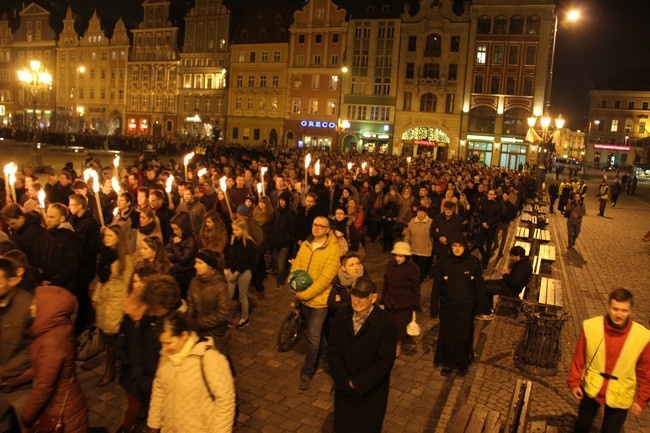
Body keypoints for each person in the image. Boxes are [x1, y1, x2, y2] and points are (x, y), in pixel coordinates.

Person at [567, 288, 650, 433]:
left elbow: (645, 371)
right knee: (581, 426)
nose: (619, 314)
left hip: (621, 392)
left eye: (624, 310)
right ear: (609, 307)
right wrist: (574, 382)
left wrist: (642, 399)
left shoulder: (642, 336)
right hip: (592, 386)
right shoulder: (592, 326)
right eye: (615, 309)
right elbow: (579, 356)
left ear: (630, 311)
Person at [147, 311, 236, 433]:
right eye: (162, 343)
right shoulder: (166, 355)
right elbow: (159, 388)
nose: (164, 348)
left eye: (168, 342)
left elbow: (226, 400)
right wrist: (154, 423)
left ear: (184, 335)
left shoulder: (209, 358)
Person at [327, 277, 397, 433]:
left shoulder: (385, 323)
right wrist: (344, 380)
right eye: (354, 295)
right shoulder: (342, 315)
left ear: (373, 298)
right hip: (345, 388)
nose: (356, 301)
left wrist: (358, 383)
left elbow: (384, 363)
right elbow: (333, 350)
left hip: (371, 393)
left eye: (362, 297)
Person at [20, 286, 89, 432]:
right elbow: (42, 367)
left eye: (35, 303)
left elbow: (44, 388)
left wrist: (26, 415)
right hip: (67, 406)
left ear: (48, 307)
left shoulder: (51, 342)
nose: (31, 307)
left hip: (65, 415)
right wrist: (15, 380)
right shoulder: (54, 330)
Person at [290, 215, 341, 390]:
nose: (316, 228)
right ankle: (326, 354)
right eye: (314, 224)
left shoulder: (334, 250)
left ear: (328, 229)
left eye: (320, 226)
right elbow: (297, 266)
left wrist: (304, 295)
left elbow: (325, 279)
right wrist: (294, 285)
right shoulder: (306, 244)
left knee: (312, 335)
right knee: (319, 333)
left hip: (319, 301)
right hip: (303, 297)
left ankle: (307, 370)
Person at [434, 234, 483, 376]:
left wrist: (480, 307)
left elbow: (479, 286)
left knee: (464, 336)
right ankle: (448, 363)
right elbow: (437, 286)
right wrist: (434, 307)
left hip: (466, 307)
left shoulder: (473, 262)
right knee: (448, 335)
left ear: (465, 247)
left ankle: (461, 363)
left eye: (460, 246)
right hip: (447, 306)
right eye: (454, 246)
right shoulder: (443, 262)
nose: (457, 249)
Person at [93, 224, 135, 386]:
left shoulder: (126, 259)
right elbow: (102, 279)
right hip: (105, 301)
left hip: (116, 303)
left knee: (112, 337)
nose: (106, 239)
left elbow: (127, 284)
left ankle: (110, 369)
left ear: (119, 238)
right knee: (107, 336)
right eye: (106, 236)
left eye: (110, 236)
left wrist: (125, 306)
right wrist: (96, 297)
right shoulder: (105, 255)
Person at [0, 257, 32, 433]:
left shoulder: (28, 306)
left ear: (12, 281)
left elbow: (33, 350)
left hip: (21, 386)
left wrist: (5, 372)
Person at [187, 250, 231, 354]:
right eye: (195, 262)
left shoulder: (220, 285)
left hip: (215, 332)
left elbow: (223, 313)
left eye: (200, 263)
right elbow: (190, 306)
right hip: (196, 330)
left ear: (210, 266)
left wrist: (199, 323)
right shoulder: (194, 282)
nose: (195, 266)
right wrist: (189, 322)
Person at [381, 241, 421, 358]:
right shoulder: (390, 265)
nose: (398, 258)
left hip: (404, 303)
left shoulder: (413, 269)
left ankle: (397, 345)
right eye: (396, 255)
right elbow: (386, 283)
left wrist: (415, 304)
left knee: (399, 326)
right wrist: (383, 300)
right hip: (390, 301)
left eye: (401, 256)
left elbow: (416, 287)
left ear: (407, 256)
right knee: (388, 325)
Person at [477, 245, 532, 319]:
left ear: (518, 256)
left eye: (512, 256)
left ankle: (488, 313)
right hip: (507, 285)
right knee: (485, 283)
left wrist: (504, 275)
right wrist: (509, 272)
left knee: (485, 288)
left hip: (511, 290)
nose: (511, 258)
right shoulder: (523, 261)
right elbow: (517, 275)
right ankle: (489, 308)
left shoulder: (523, 267)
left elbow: (514, 282)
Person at [224, 220, 256, 329]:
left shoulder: (248, 243)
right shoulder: (231, 240)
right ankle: (226, 317)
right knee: (229, 294)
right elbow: (227, 255)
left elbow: (247, 261)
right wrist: (227, 269)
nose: (234, 232)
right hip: (232, 271)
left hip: (243, 272)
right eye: (233, 229)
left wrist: (236, 273)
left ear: (243, 230)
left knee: (242, 296)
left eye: (237, 230)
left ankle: (245, 318)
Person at [166, 211, 199, 298]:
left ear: (183, 227)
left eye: (176, 229)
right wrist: (174, 256)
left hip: (186, 275)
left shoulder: (191, 240)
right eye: (173, 229)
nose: (174, 231)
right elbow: (167, 251)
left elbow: (183, 259)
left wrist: (176, 246)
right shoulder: (174, 236)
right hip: (175, 273)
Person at [327, 251, 368, 320]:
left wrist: (341, 303)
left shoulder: (366, 280)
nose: (356, 267)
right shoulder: (338, 281)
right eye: (351, 265)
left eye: (358, 264)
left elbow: (364, 304)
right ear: (343, 268)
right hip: (343, 320)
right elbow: (331, 304)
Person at [404, 206, 433, 282]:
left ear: (426, 213)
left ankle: (419, 280)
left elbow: (434, 236)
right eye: (419, 212)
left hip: (425, 250)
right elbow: (408, 235)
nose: (420, 214)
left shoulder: (431, 222)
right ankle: (413, 279)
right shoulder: (412, 221)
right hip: (414, 249)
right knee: (414, 266)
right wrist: (406, 245)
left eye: (422, 212)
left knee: (421, 267)